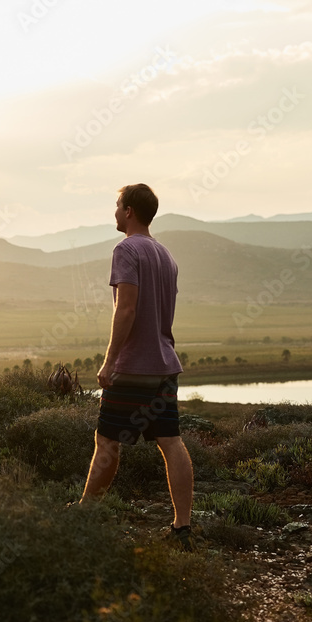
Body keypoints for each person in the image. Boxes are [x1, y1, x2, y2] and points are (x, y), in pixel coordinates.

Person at [80, 184, 194, 550]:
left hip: (132, 367)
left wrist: (110, 360)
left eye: (117, 206)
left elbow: (126, 308)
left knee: (107, 441)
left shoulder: (126, 249)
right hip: (164, 365)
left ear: (129, 211)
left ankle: (86, 514)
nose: (114, 212)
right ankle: (182, 527)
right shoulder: (166, 255)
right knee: (171, 442)